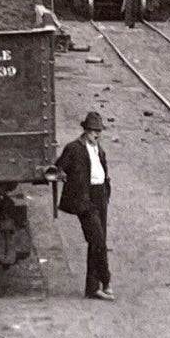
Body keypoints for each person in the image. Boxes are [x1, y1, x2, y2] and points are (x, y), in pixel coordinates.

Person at [55, 111, 114, 300]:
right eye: (94, 131)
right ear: (86, 131)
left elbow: (102, 170)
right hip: (85, 199)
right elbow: (59, 167)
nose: (97, 135)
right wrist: (63, 176)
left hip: (100, 196)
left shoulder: (99, 149)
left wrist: (106, 190)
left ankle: (92, 288)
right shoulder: (73, 148)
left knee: (96, 242)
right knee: (98, 240)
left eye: (99, 131)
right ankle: (106, 281)